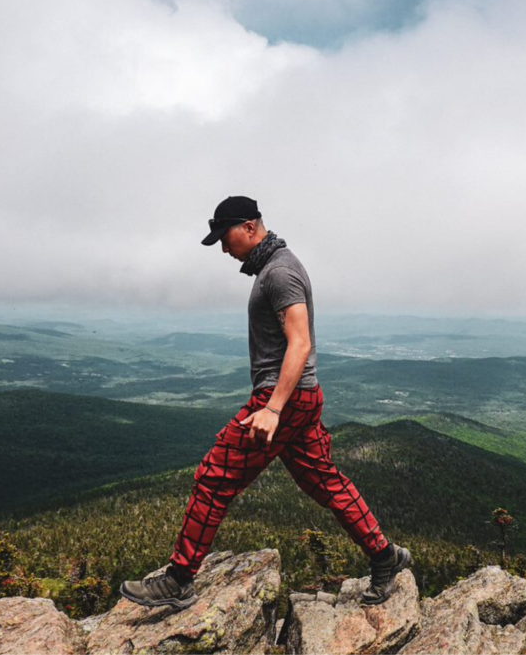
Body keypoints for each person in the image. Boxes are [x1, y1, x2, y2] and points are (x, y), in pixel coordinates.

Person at [120, 195, 411, 610]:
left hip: (284, 400)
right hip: (300, 398)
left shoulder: (280, 273)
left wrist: (272, 408)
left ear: (251, 227)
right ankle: (385, 557)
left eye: (226, 236)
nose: (223, 247)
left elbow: (301, 341)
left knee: (212, 478)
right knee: (325, 482)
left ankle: (179, 580)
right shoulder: (277, 266)